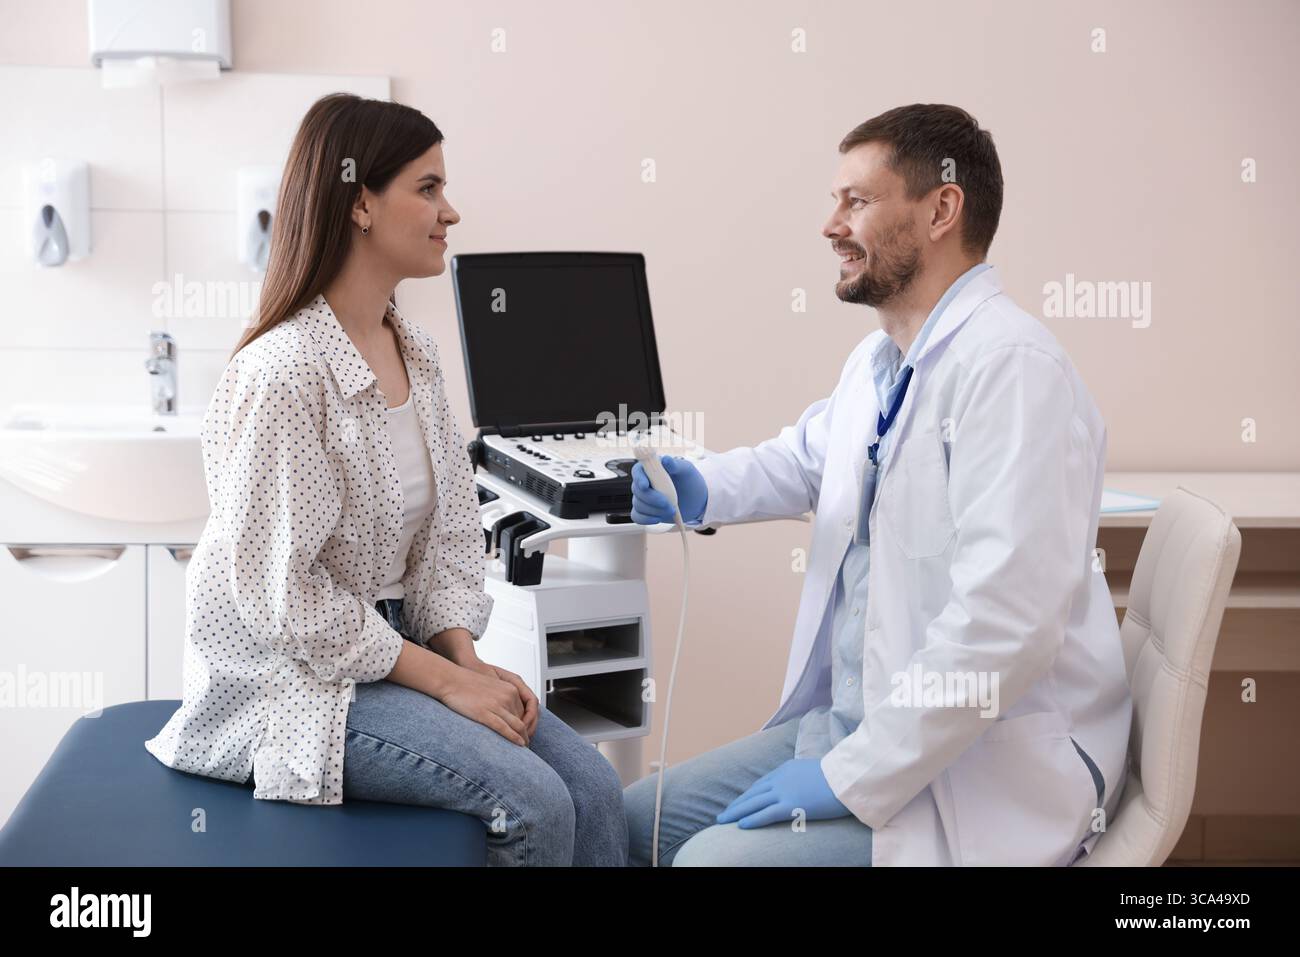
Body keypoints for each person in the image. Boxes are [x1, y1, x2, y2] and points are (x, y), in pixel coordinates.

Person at [624, 104, 1129, 867]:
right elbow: (806, 458)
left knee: (708, 862)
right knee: (628, 822)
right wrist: (704, 489)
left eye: (855, 201)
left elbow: (1005, 626)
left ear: (940, 209)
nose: (831, 225)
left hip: (982, 771)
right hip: (858, 729)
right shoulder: (883, 361)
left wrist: (849, 778)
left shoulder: (1013, 371)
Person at [145, 93, 627, 866]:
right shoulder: (285, 374)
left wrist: (466, 663)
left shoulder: (419, 352)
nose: (452, 211)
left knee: (597, 794)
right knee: (533, 801)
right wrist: (443, 682)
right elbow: (286, 601)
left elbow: (446, 540)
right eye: (428, 187)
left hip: (394, 654)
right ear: (361, 202)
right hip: (293, 686)